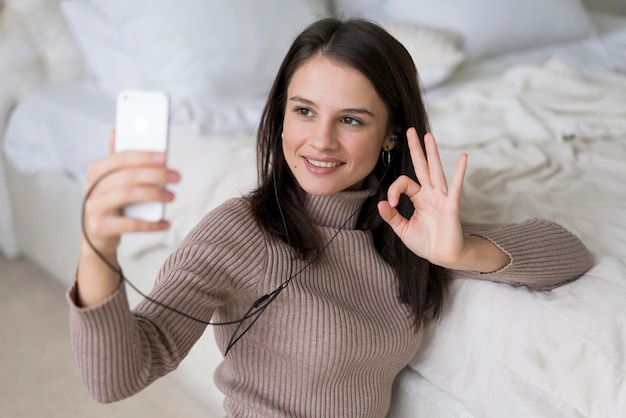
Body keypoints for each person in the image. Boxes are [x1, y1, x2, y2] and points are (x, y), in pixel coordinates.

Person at [69, 17, 593, 417]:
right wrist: (98, 249)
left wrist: (461, 252)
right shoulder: (241, 230)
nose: (320, 141)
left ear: (391, 134)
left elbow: (569, 254)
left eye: (350, 119)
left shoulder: (406, 227)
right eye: (303, 111)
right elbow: (119, 376)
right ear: (280, 116)